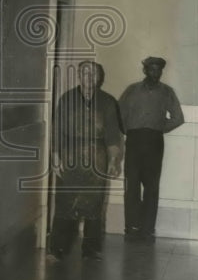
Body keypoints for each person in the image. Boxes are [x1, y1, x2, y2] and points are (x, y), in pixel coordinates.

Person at [48, 62, 122, 263]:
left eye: (93, 73)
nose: (89, 77)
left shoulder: (107, 102)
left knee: (94, 204)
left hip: (97, 158)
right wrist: (55, 155)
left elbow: (114, 135)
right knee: (65, 202)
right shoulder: (67, 99)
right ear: (79, 76)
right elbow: (57, 129)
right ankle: (57, 249)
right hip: (70, 156)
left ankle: (91, 250)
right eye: (85, 73)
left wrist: (114, 160)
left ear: (99, 78)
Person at [118, 56, 184, 243]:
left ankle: (147, 229)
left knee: (151, 187)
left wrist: (159, 128)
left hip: (154, 142)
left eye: (159, 70)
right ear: (145, 70)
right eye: (152, 69)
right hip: (134, 141)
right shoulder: (132, 90)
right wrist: (128, 130)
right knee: (131, 186)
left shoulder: (167, 92)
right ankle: (131, 227)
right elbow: (119, 113)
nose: (156, 73)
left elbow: (178, 117)